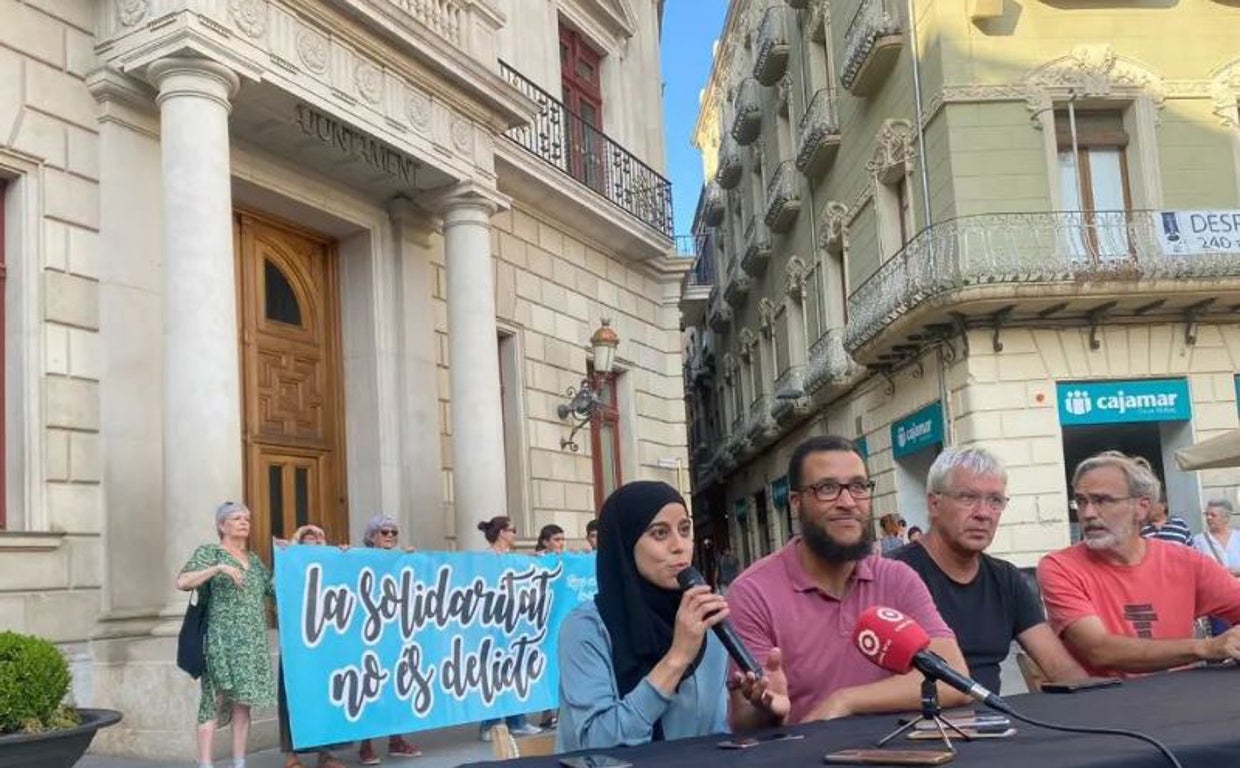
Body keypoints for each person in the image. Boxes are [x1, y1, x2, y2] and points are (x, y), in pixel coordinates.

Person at [727, 436, 970, 726]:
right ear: (796, 502)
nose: (847, 502)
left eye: (858, 487)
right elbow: (742, 724)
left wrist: (846, 700)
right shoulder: (753, 592)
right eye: (827, 488)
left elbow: (954, 679)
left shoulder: (897, 579)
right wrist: (764, 707)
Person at [556, 481, 789, 752]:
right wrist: (677, 657)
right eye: (659, 533)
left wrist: (763, 712)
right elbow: (597, 743)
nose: (680, 546)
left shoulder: (707, 621)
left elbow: (714, 736)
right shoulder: (585, 629)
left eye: (685, 530)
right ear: (625, 544)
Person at [890, 447, 1088, 693]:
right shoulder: (892, 575)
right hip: (918, 725)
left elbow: (1061, 668)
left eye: (995, 500)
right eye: (967, 498)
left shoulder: (1005, 578)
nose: (983, 514)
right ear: (934, 504)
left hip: (994, 725)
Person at [1038, 451, 1240, 677]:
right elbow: (1099, 651)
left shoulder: (1186, 561)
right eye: (1081, 501)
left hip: (1181, 701)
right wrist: (1205, 647)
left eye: (1102, 500)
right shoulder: (1060, 566)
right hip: (1105, 705)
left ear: (1142, 507)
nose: (1088, 513)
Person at [176, 502, 277, 768]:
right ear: (222, 525)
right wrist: (218, 568)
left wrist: (297, 551)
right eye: (237, 518)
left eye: (247, 518)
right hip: (221, 641)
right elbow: (182, 581)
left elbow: (275, 590)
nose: (244, 522)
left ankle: (239, 763)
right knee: (212, 700)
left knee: (243, 704)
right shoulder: (210, 552)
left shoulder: (254, 560)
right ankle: (206, 764)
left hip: (252, 643)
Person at [276, 525, 348, 768]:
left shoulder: (331, 565)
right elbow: (275, 588)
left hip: (326, 642)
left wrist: (346, 556)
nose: (315, 542)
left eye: (319, 539)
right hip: (296, 641)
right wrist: (288, 554)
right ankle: (291, 755)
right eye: (309, 538)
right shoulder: (289, 564)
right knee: (292, 696)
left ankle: (326, 753)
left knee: (326, 696)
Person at [355, 515, 422, 764]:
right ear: (372, 536)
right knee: (370, 689)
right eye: (385, 532)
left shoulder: (399, 559)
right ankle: (366, 745)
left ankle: (396, 739)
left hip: (395, 632)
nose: (391, 536)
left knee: (398, 686)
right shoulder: (358, 558)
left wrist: (411, 561)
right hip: (369, 635)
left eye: (394, 531)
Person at [477, 516, 542, 741]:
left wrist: (536, 561)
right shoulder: (483, 558)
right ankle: (491, 724)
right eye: (513, 530)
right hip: (491, 624)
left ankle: (517, 721)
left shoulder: (514, 559)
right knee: (492, 674)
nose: (515, 534)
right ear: (502, 533)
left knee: (514, 671)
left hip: (513, 623)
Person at [1191, 499, 1240, 635]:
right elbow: (1196, 570)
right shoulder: (1198, 541)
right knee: (1221, 637)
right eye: (1207, 514)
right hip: (1216, 600)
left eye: (1213, 515)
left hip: (1238, 597)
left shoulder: (1238, 537)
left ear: (1226, 517)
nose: (1208, 518)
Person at [1139, 476, 1192, 545]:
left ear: (1163, 505)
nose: (1148, 507)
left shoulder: (1179, 524)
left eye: (1152, 504)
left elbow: (1191, 549)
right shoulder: (1141, 527)